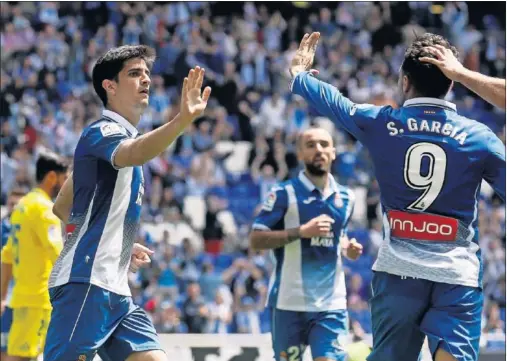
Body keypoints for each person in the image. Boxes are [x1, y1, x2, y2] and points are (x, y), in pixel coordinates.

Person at [289, 32, 505, 361]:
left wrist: (300, 77)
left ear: (405, 82)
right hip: (456, 277)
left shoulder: (382, 123)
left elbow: (336, 103)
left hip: (398, 275)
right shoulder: (479, 138)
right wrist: (463, 74)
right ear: (451, 83)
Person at [43, 45, 211, 361]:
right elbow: (134, 153)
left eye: (147, 73)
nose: (145, 79)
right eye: (134, 73)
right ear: (110, 86)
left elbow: (63, 207)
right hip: (86, 283)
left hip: (117, 292)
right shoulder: (103, 132)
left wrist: (117, 237)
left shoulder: (118, 139)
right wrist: (181, 120)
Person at [249, 127, 363, 361]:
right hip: (289, 303)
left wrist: (348, 248)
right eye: (310, 145)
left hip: (331, 304)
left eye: (324, 144)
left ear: (333, 152)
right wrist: (301, 232)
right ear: (300, 154)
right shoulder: (283, 193)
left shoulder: (347, 198)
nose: (318, 150)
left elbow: (339, 236)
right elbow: (256, 239)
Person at [0, 152, 69, 361]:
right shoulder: (44, 209)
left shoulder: (22, 206)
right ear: (51, 177)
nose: (65, 185)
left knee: (14, 356)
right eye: (64, 179)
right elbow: (59, 255)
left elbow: (7, 256)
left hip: (20, 299)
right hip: (38, 301)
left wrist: (2, 297)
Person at [420, 44, 506, 110]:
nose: (473, 60)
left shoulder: (483, 70)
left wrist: (461, 73)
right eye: (470, 56)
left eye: (475, 56)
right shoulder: (451, 75)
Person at [0, 188, 26, 361]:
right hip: (5, 295)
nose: (14, 207)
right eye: (11, 204)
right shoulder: (2, 229)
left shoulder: (31, 229)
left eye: (18, 204)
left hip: (23, 296)